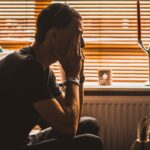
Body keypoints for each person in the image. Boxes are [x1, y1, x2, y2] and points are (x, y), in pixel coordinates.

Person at [0, 3, 103, 150]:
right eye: (77, 34)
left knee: (89, 124)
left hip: (24, 141)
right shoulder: (27, 68)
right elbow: (68, 129)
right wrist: (72, 76)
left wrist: (78, 76)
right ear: (53, 34)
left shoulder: (43, 68)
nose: (82, 44)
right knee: (91, 142)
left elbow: (72, 118)